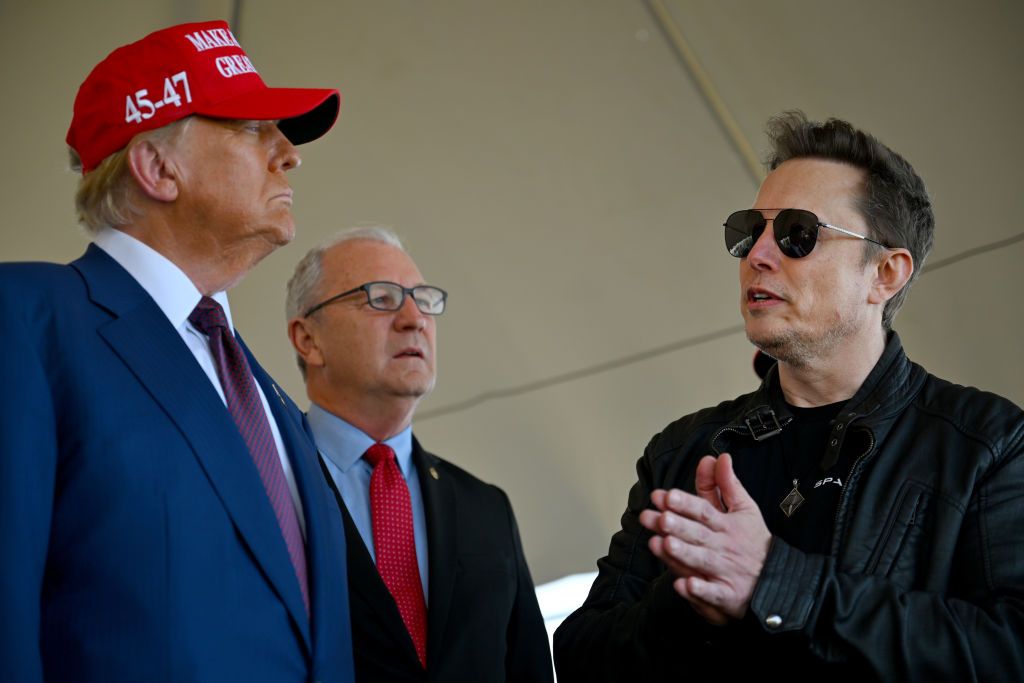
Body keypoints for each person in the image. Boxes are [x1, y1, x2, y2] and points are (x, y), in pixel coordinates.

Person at [553, 111, 1024, 681]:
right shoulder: (683, 450)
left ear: (886, 273)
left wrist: (772, 580)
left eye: (798, 233)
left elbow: (1010, 650)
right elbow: (580, 658)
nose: (758, 254)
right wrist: (691, 603)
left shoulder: (989, 444)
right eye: (751, 231)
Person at [0, 21, 354, 682]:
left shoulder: (266, 393)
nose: (289, 153)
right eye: (252, 128)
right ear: (157, 167)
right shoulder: (24, 318)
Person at [286, 227, 554, 681]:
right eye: (381, 298)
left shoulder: (486, 507)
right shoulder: (265, 484)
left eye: (423, 299)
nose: (415, 318)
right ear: (309, 339)